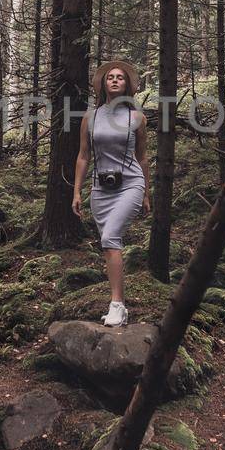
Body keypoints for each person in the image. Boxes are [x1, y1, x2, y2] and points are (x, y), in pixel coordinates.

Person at [72, 60, 151, 326]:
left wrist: (146, 194)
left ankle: (117, 305)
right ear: (104, 84)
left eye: (120, 77)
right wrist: (77, 192)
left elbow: (142, 158)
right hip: (100, 190)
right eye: (110, 77)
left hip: (130, 184)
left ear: (127, 85)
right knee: (108, 245)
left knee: (110, 237)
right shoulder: (90, 117)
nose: (115, 80)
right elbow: (83, 156)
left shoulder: (137, 117)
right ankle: (120, 306)